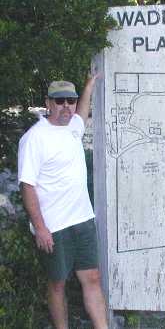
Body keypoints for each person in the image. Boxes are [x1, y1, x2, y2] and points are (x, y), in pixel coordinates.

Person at [18, 75, 108, 329]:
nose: (66, 106)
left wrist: (89, 87)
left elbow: (81, 113)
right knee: (57, 283)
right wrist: (41, 227)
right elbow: (27, 186)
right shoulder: (34, 138)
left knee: (92, 278)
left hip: (82, 220)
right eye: (59, 101)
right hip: (54, 226)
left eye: (70, 100)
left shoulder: (73, 128)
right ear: (48, 103)